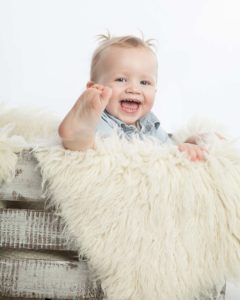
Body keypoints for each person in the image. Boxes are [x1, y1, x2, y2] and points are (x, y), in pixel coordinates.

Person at [58, 34, 205, 161]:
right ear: (95, 88)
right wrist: (89, 117)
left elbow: (168, 146)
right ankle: (77, 132)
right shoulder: (100, 119)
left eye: (144, 82)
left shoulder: (149, 123)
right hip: (101, 151)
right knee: (86, 146)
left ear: (155, 89)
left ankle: (77, 134)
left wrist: (189, 143)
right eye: (121, 79)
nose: (134, 89)